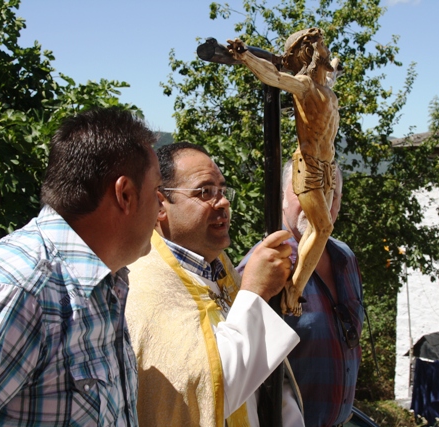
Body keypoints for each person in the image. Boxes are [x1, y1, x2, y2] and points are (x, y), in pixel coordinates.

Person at [0, 108, 161, 427]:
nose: (161, 207)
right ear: (124, 194)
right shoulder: (17, 291)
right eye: (155, 192)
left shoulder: (103, 284)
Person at [125, 142, 304, 427]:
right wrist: (255, 294)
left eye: (222, 191)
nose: (222, 202)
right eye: (205, 192)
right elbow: (204, 397)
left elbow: (265, 385)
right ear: (160, 205)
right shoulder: (143, 285)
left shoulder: (221, 269)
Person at [238, 159, 364, 427]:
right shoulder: (265, 266)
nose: (319, 201)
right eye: (306, 190)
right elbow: (239, 368)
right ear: (282, 197)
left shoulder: (345, 258)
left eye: (331, 193)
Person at [227, 28, 341, 316]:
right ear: (309, 53)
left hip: (327, 167)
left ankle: (295, 288)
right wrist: (246, 57)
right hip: (310, 165)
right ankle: (295, 290)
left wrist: (331, 64)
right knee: (322, 228)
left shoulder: (326, 88)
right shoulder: (303, 85)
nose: (326, 51)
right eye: (321, 48)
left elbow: (331, 70)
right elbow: (273, 77)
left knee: (322, 231)